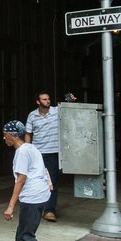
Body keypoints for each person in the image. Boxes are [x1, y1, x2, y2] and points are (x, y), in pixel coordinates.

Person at [2, 120, 70, 241]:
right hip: (40, 195)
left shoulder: (22, 152)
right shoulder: (31, 148)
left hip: (32, 198)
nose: (4, 138)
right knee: (21, 234)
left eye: (5, 134)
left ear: (13, 135)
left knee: (26, 236)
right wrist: (48, 183)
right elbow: (43, 168)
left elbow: (21, 180)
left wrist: (10, 206)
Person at [24, 91, 72, 222]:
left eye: (48, 99)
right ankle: (36, 207)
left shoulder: (56, 112)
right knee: (36, 180)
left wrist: (70, 99)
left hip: (52, 153)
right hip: (37, 153)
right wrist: (27, 150)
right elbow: (28, 133)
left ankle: (49, 210)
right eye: (44, 99)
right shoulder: (32, 115)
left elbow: (68, 109)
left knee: (52, 182)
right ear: (38, 102)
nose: (47, 101)